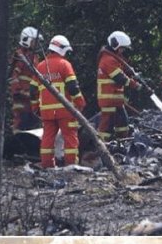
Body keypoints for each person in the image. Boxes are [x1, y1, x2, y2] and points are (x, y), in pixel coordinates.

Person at [30, 35, 86, 168]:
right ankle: (71, 166)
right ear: (61, 49)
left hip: (47, 112)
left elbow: (32, 90)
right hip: (65, 110)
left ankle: (47, 165)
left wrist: (35, 107)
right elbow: (73, 87)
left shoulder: (40, 66)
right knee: (70, 138)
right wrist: (80, 103)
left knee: (47, 139)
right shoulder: (64, 64)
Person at [97, 31, 143, 141]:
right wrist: (135, 85)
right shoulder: (108, 60)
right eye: (122, 48)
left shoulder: (115, 58)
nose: (123, 51)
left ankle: (122, 145)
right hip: (108, 100)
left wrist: (136, 76)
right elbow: (120, 78)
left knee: (123, 124)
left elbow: (125, 69)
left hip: (116, 101)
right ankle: (103, 149)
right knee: (106, 128)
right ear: (115, 44)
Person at [8, 27, 43, 130]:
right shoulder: (20, 56)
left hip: (32, 97)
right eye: (34, 41)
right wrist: (19, 91)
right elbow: (14, 76)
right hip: (22, 99)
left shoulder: (34, 57)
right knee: (20, 122)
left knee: (34, 123)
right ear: (26, 40)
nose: (36, 44)